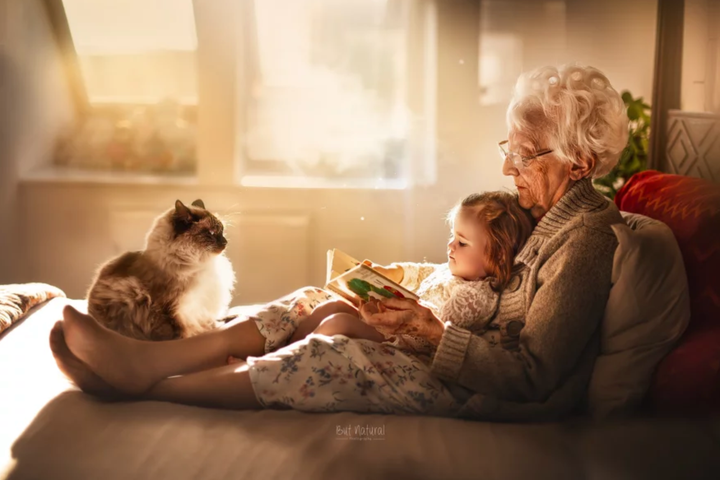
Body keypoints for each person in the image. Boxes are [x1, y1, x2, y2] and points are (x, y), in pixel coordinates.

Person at [50, 64, 628, 420]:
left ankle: (150, 386)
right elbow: (481, 273)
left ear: (578, 163)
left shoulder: (585, 241)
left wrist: (429, 331)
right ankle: (153, 359)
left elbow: (533, 375)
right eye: (509, 147)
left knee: (334, 356)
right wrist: (397, 283)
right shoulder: (536, 211)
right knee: (314, 299)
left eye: (524, 154)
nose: (508, 168)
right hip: (454, 346)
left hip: (490, 394)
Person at [306, 191, 534, 363]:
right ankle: (287, 349)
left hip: (407, 346)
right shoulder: (456, 271)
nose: (451, 245)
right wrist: (387, 273)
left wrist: (384, 314)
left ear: (498, 256)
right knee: (332, 306)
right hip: (392, 329)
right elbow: (422, 271)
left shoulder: (473, 297)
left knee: (339, 322)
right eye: (452, 236)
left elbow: (433, 332)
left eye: (462, 243)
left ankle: (297, 358)